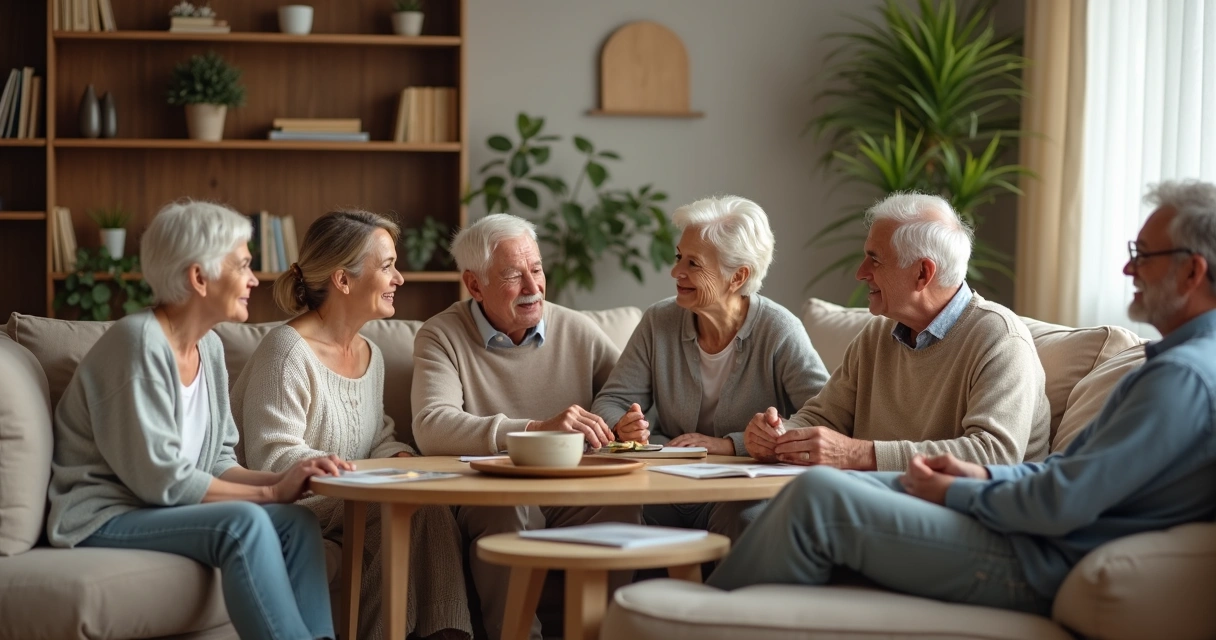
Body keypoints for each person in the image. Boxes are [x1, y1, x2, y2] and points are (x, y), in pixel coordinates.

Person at [708, 179, 1216, 615]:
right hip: (1021, 529)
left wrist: (956, 489)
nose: (1128, 270)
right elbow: (1062, 476)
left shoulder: (1181, 377)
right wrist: (776, 436)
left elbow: (1061, 499)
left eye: (1142, 255)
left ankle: (699, 618)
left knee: (820, 497)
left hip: (1037, 555)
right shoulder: (1177, 366)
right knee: (761, 510)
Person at [46, 200, 349, 640]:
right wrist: (269, 492)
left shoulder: (209, 347)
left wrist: (289, 478)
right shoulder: (138, 345)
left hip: (158, 506)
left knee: (297, 522)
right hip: (105, 514)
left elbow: (218, 460)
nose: (254, 279)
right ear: (199, 277)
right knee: (244, 523)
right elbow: (162, 480)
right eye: (242, 265)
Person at [232, 210, 472, 640]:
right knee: (399, 509)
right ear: (343, 280)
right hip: (294, 506)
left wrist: (400, 457)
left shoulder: (370, 354)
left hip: (350, 498)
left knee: (428, 504)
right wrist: (363, 479)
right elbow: (274, 457)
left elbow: (377, 437)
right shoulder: (286, 352)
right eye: (387, 266)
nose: (399, 278)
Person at [411, 213, 641, 640]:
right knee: (507, 506)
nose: (533, 287)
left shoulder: (578, 330)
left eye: (536, 269)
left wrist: (629, 424)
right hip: (491, 492)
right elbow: (431, 425)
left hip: (570, 490)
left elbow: (629, 398)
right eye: (513, 276)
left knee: (621, 507)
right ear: (475, 285)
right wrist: (536, 429)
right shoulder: (441, 335)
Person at [745, 192, 1051, 470]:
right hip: (883, 496)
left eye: (875, 259)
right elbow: (823, 418)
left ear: (922, 273)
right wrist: (778, 435)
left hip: (962, 506)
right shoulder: (877, 336)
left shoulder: (1001, 340)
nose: (861, 273)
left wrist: (858, 454)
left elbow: (993, 454)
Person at [592, 195, 829, 540]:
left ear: (737, 276)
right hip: (667, 483)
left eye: (694, 263)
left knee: (744, 520)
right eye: (679, 257)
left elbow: (826, 417)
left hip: (739, 490)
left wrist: (734, 445)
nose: (676, 272)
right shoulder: (659, 321)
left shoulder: (779, 329)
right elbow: (609, 401)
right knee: (615, 513)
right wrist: (622, 426)